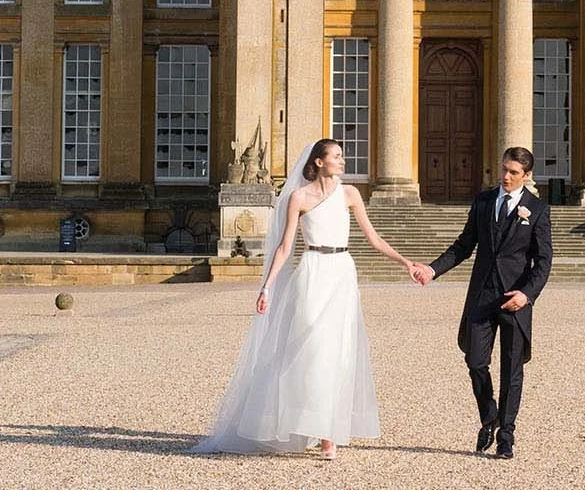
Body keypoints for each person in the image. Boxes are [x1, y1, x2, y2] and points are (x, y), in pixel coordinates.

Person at [194, 138, 420, 460]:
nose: (343, 161)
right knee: (310, 351)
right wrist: (267, 287)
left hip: (342, 271)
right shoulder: (299, 197)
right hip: (313, 271)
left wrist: (406, 263)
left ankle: (329, 434)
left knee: (337, 352)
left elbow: (373, 238)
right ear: (318, 161)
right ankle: (298, 422)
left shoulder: (350, 193)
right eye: (337, 156)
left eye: (342, 156)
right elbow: (285, 247)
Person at [412, 146, 553, 460]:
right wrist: (432, 270)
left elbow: (543, 262)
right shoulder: (484, 201)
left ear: (527, 176)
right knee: (475, 361)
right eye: (504, 169)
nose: (505, 176)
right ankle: (489, 414)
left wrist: (527, 295)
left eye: (513, 172)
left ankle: (506, 436)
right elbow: (464, 245)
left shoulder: (538, 210)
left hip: (516, 299)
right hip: (482, 296)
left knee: (512, 371)